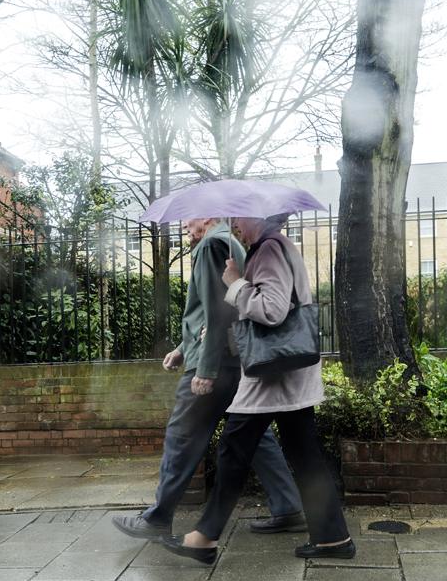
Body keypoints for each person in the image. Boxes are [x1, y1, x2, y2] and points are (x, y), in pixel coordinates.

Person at [161, 214, 355, 565]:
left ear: (260, 217)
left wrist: (235, 284)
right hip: (289, 371)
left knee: (233, 451)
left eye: (240, 218)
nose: (235, 223)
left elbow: (273, 310)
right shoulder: (276, 246)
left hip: (272, 375)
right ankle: (332, 538)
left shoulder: (267, 250)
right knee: (305, 454)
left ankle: (203, 537)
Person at [112, 217, 306, 541]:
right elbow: (213, 312)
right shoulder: (226, 243)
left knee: (182, 436)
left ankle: (157, 518)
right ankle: (287, 506)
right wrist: (183, 348)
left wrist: (204, 369)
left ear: (206, 216)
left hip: (216, 363)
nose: (185, 226)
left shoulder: (210, 245)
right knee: (254, 438)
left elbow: (219, 312)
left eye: (189, 220)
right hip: (233, 359)